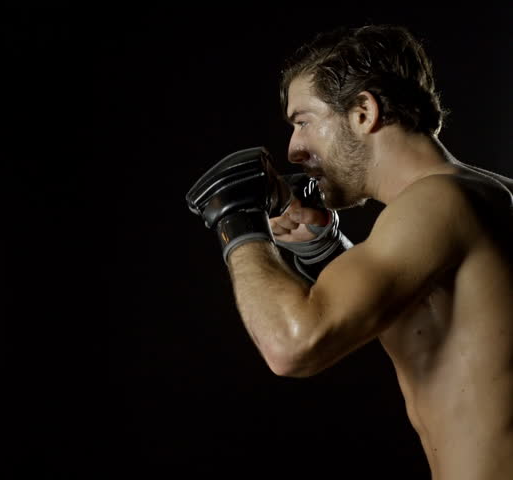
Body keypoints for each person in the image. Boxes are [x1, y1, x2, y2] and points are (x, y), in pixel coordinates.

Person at [186, 25, 512, 479]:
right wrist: (325, 249)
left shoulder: (434, 203)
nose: (294, 149)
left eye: (302, 121)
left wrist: (237, 221)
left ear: (363, 112)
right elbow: (440, 326)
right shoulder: (486, 195)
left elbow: (293, 345)